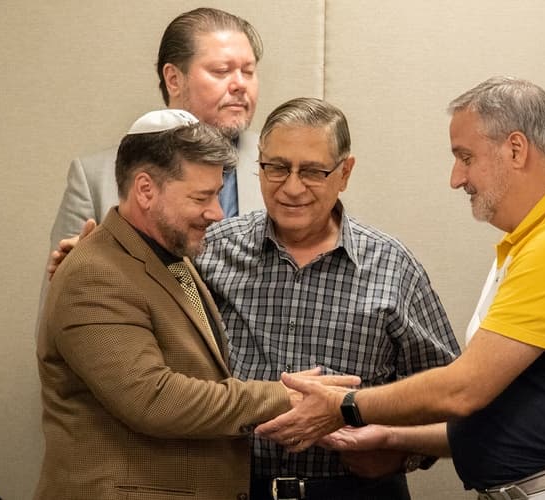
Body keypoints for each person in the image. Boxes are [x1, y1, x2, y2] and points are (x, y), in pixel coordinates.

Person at [255, 77, 545, 500]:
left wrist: (345, 407)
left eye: (465, 157)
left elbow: (464, 389)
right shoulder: (535, 238)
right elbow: (504, 411)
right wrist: (392, 439)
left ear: (516, 149)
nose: (457, 178)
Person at [35, 109, 358, 500]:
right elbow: (152, 397)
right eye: (202, 197)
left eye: (217, 195)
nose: (217, 213)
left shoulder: (171, 255)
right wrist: (281, 397)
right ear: (145, 190)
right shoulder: (95, 273)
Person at [196, 97, 459, 499]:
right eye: (277, 168)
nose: (292, 187)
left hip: (355, 489)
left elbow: (447, 397)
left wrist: (397, 450)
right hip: (232, 486)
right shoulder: (211, 251)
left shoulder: (392, 267)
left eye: (313, 171)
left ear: (345, 172)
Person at [48, 7, 264, 250]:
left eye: (248, 71)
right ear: (174, 79)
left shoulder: (280, 169)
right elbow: (64, 284)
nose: (240, 85)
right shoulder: (95, 178)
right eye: (222, 71)